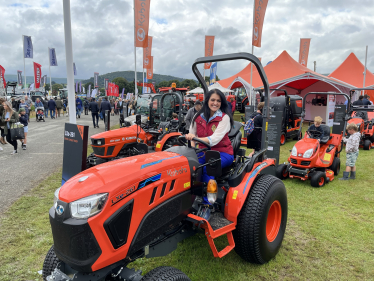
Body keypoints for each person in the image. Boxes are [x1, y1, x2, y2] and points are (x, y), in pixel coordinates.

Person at [186, 89, 235, 184]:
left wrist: (195, 138)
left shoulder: (224, 118)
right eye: (212, 100)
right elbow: (192, 134)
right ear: (207, 100)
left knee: (208, 167)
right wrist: (191, 150)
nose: (215, 103)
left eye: (218, 101)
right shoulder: (198, 116)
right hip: (203, 151)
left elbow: (214, 139)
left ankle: (208, 198)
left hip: (222, 152)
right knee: (189, 167)